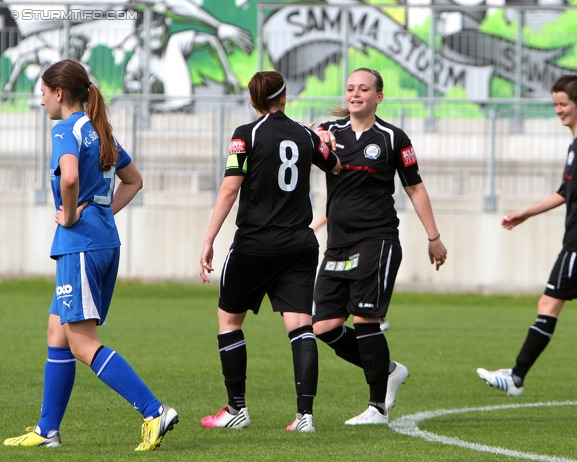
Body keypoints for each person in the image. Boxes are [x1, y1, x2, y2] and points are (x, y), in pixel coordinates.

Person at [3, 59, 178, 451]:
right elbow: (134, 180)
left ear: (59, 93)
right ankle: (48, 430)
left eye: (43, 93)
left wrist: (67, 216)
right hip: (102, 242)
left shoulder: (66, 128)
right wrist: (102, 210)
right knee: (57, 331)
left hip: (80, 245)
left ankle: (154, 411)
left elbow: (69, 177)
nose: (42, 100)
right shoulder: (100, 131)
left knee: (82, 343)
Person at [477, 74, 577, 398]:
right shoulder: (575, 144)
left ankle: (517, 377)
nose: (558, 110)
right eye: (555, 104)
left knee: (548, 302)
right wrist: (526, 212)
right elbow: (565, 191)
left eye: (563, 104)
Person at [198, 71, 340, 432]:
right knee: (300, 327)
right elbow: (334, 163)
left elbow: (230, 189)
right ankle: (305, 417)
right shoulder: (305, 135)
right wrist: (322, 138)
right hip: (299, 244)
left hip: (255, 244)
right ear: (285, 97)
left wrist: (209, 239)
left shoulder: (246, 135)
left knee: (229, 321)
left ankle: (236, 410)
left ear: (253, 101)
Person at [312, 68, 448, 425]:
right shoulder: (330, 134)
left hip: (377, 240)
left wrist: (433, 237)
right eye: (350, 88)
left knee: (366, 318)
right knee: (323, 326)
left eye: (364, 89)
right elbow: (295, 149)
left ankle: (377, 408)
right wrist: (314, 135)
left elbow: (415, 187)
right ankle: (388, 369)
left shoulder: (392, 138)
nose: (355, 94)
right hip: (337, 245)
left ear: (379, 96)